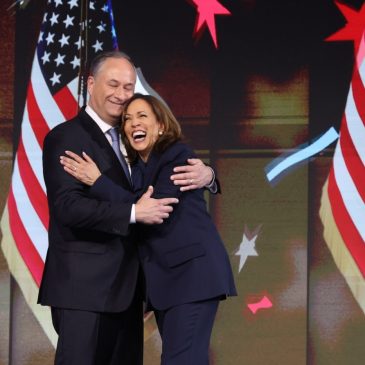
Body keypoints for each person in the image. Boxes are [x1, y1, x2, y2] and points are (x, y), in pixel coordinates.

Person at [39, 51, 216, 365]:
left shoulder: (136, 142)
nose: (121, 95)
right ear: (91, 84)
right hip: (85, 291)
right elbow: (68, 207)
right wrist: (134, 213)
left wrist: (210, 175)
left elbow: (164, 184)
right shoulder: (66, 137)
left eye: (128, 87)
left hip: (129, 293)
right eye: (113, 84)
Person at [60, 93, 237, 365]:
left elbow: (155, 210)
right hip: (170, 285)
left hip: (192, 279)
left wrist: (98, 181)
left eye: (142, 116)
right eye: (128, 119)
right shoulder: (139, 170)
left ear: (162, 126)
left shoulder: (177, 155)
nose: (133, 124)